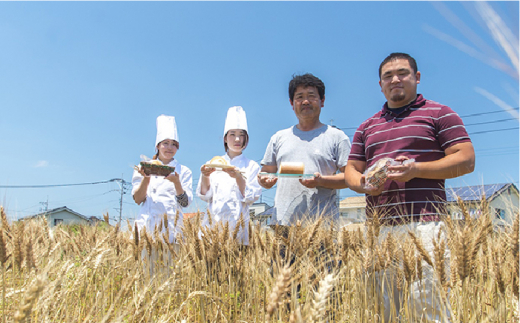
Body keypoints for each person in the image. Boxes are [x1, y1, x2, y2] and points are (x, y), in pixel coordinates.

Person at [345, 52, 475, 322]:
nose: (395, 79)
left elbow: (466, 159)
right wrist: (363, 185)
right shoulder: (367, 127)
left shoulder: (439, 113)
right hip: (379, 230)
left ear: (416, 78)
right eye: (387, 76)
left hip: (425, 226)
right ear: (380, 84)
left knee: (427, 309)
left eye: (402, 73)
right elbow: (351, 169)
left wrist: (416, 170)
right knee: (383, 311)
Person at [258, 73, 351, 227]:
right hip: (283, 223)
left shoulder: (337, 137)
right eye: (300, 97)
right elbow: (266, 172)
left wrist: (321, 181)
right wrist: (264, 180)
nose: (305, 101)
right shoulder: (279, 138)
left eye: (311, 96)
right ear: (291, 103)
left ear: (322, 101)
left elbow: (350, 178)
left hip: (322, 226)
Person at [197, 106, 262, 245]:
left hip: (238, 231)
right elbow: (205, 195)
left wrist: (238, 177)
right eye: (232, 134)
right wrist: (205, 176)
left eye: (241, 135)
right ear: (225, 138)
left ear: (246, 138)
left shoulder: (252, 166)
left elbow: (252, 197)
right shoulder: (212, 162)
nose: (237, 139)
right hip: (211, 230)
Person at [132, 115, 193, 243]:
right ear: (158, 146)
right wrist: (146, 178)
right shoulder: (142, 167)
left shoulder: (184, 171)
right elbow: (138, 199)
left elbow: (185, 204)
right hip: (146, 230)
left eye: (174, 144)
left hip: (172, 231)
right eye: (165, 143)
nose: (170, 148)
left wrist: (177, 183)